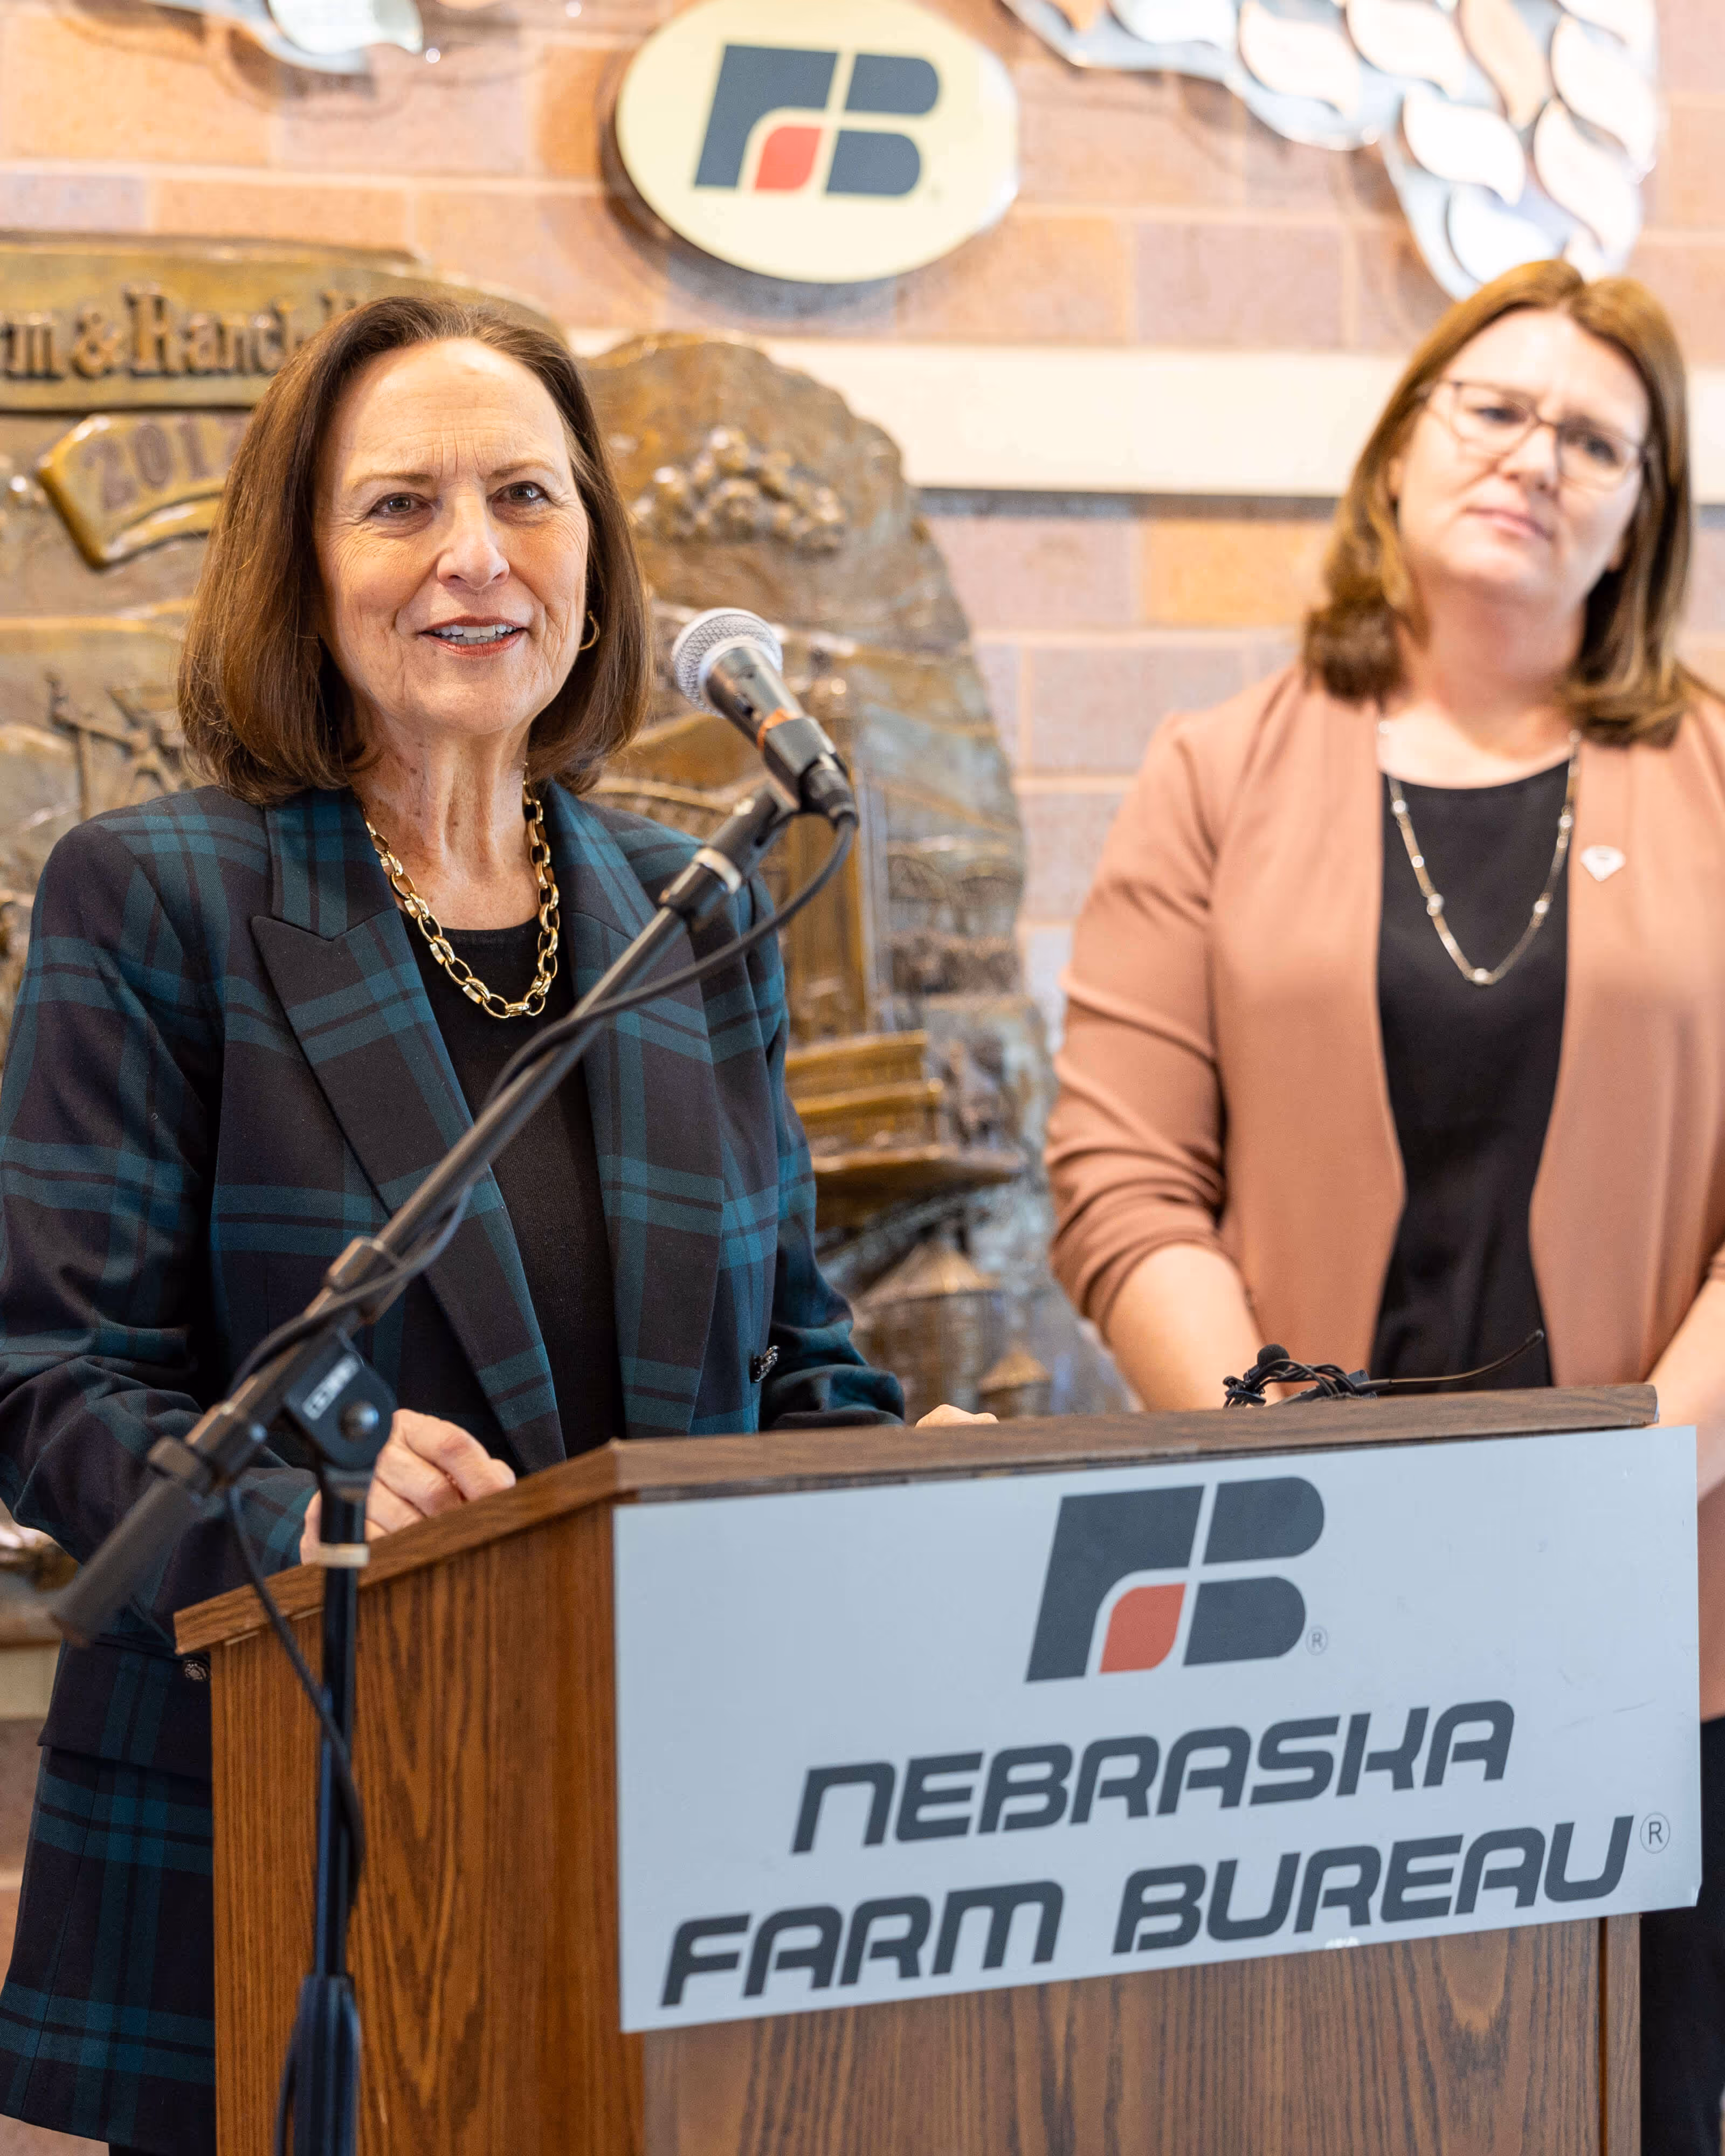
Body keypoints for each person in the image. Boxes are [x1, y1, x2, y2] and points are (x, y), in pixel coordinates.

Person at [0, 295, 983, 2156]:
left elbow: (785, 1353)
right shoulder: (161, 900)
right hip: (283, 1845)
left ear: (597, 562)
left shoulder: (684, 913)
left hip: (660, 1827)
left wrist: (895, 1478)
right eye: (399, 507)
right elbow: (49, 1386)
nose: (474, 555)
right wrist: (296, 1503)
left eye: (527, 494)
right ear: (302, 566)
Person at [1046, 259, 1725, 2156]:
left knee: (1634, 2107)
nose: (1536, 457)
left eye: (1596, 437)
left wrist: (1635, 1479)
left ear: (1643, 510)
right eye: (1494, 409)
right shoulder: (1215, 775)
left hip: (1666, 1608)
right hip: (1293, 1616)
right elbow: (1120, 1176)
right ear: (1404, 451)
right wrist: (1282, 1469)